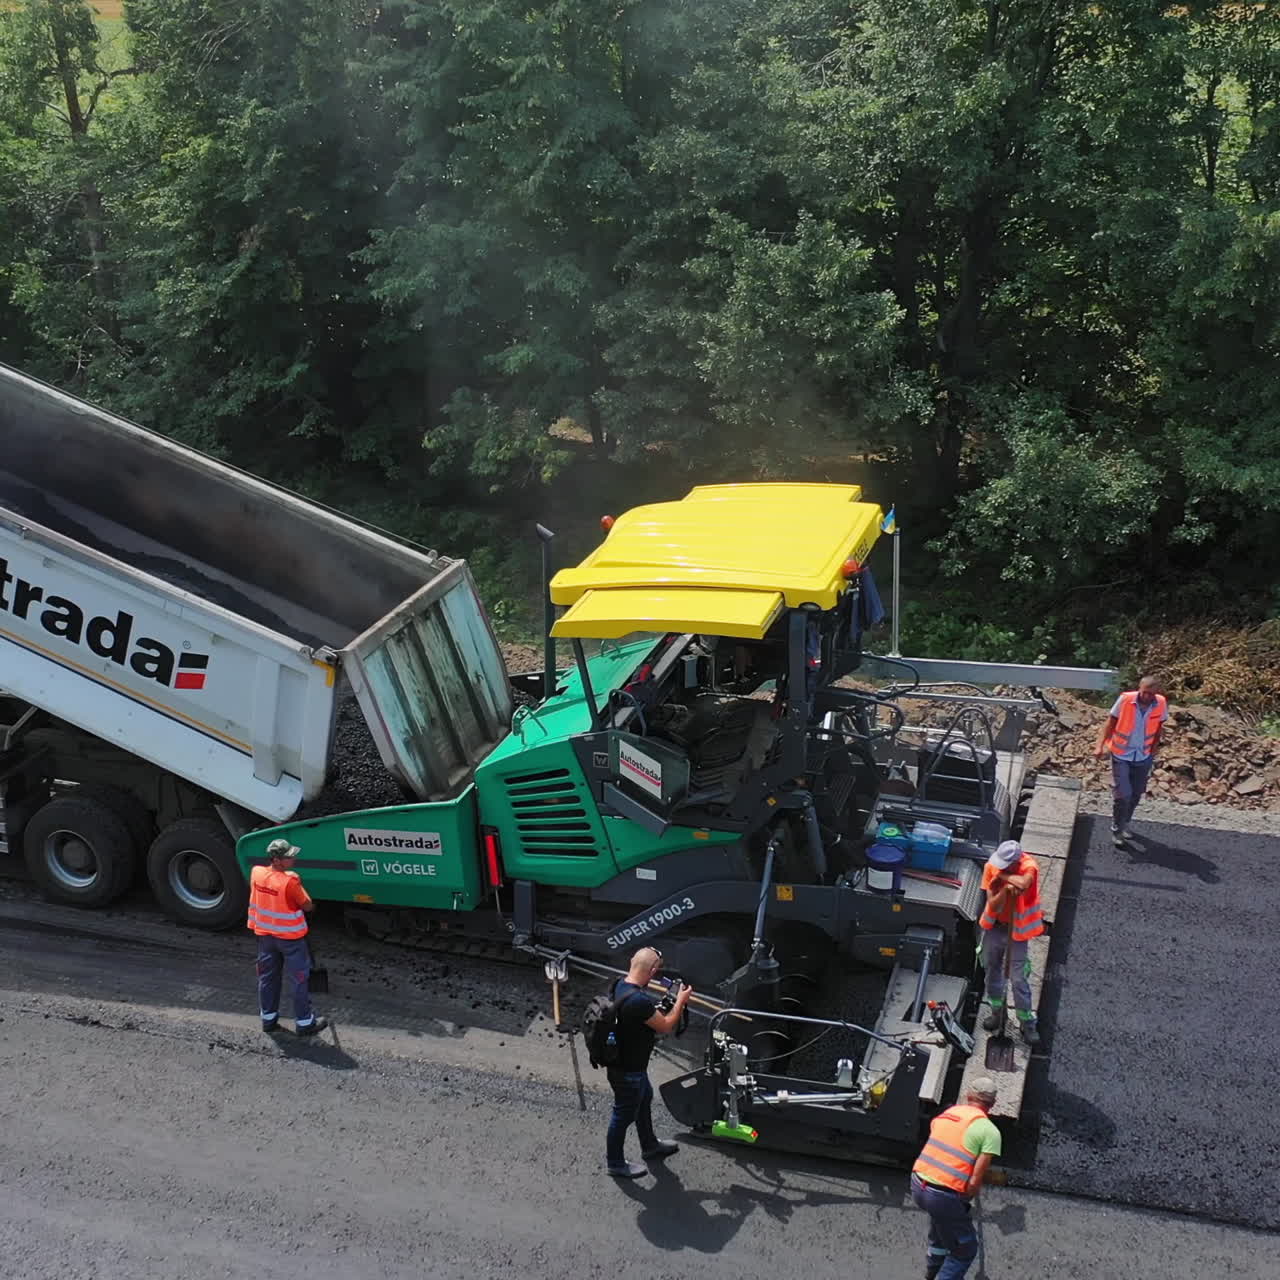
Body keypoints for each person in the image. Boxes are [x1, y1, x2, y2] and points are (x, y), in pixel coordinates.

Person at [605, 946, 692, 1178]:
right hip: (627, 1070)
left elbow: (636, 1017)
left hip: (629, 1065)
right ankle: (614, 1163)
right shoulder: (638, 1001)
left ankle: (650, 1146)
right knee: (623, 1115)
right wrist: (680, 1001)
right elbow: (664, 1026)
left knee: (644, 1100)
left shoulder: (619, 985)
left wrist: (661, 1007)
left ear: (633, 961)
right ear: (653, 970)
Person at [910, 1078, 1002, 1280]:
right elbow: (973, 1183)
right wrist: (961, 1199)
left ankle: (932, 1272)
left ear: (968, 1097)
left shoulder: (949, 1114)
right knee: (965, 1250)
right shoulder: (990, 1132)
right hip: (942, 1196)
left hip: (917, 1184)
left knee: (941, 1227)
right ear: (992, 1105)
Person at [248, 837, 328, 1037]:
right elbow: (307, 905)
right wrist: (313, 906)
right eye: (288, 857)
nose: (293, 859)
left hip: (266, 939)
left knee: (267, 978)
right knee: (299, 980)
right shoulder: (290, 881)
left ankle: (268, 1020)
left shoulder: (256, 873)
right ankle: (304, 1023)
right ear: (276, 860)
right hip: (290, 940)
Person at [979, 839, 1043, 1046]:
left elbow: (1024, 883)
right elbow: (994, 905)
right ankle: (998, 1013)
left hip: (1017, 930)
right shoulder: (991, 867)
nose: (999, 868)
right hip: (996, 927)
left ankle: (1027, 1023)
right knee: (991, 970)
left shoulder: (1028, 866)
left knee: (1017, 979)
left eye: (1005, 866)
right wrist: (1006, 890)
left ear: (1015, 863)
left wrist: (1005, 878)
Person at [1094, 675, 1168, 847]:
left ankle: (1125, 822)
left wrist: (1154, 749)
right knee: (1123, 794)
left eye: (1151, 694)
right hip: (1121, 755)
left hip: (1143, 755)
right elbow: (1109, 723)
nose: (1147, 697)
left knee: (1136, 793)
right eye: (1144, 692)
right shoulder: (1125, 700)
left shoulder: (1161, 703)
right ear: (1139, 688)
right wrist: (1100, 745)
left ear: (1157, 693)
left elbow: (1158, 727)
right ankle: (1117, 829)